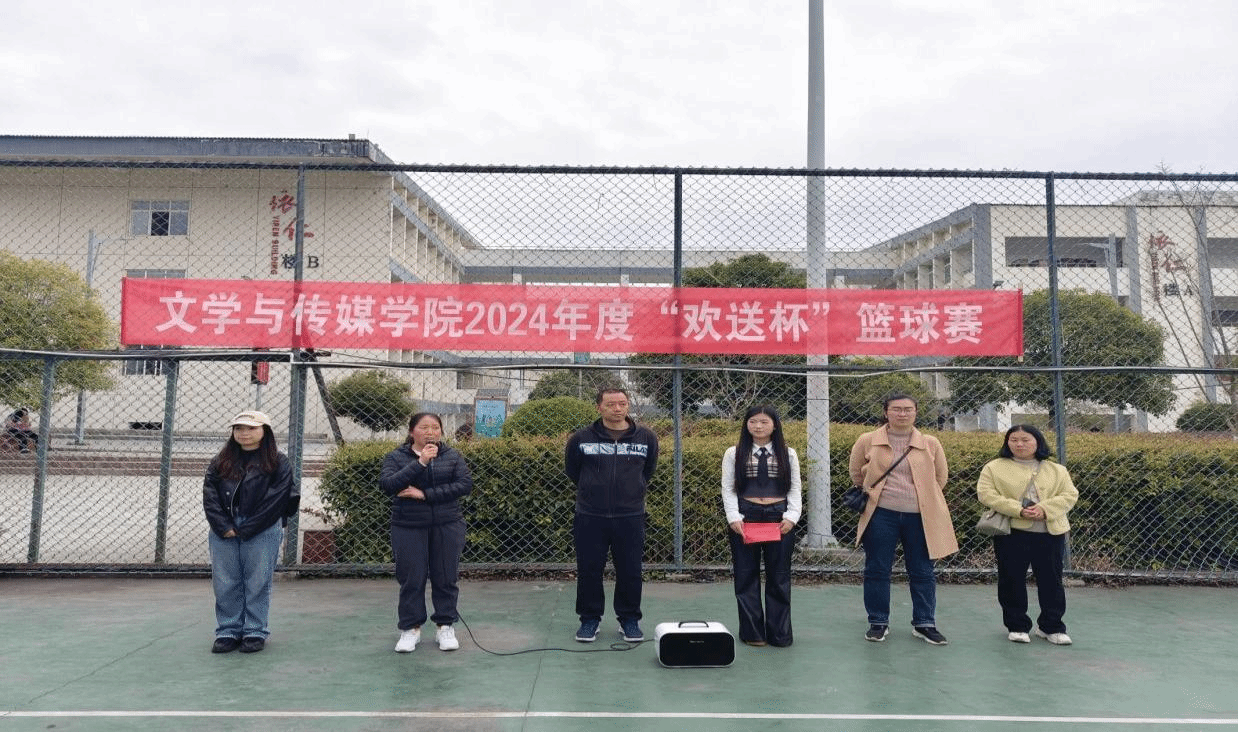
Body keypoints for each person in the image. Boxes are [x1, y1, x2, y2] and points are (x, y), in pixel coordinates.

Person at [848, 393, 957, 645]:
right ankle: (878, 622)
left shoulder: (930, 443)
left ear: (916, 412)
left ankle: (924, 623)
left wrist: (922, 498)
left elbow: (940, 477)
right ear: (886, 412)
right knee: (877, 569)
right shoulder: (867, 440)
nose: (902, 413)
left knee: (922, 570)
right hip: (880, 514)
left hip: (921, 516)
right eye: (896, 409)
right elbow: (856, 473)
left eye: (908, 409)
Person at [564, 387, 660, 643]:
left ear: (628, 405)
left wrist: (632, 491)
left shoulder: (646, 437)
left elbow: (648, 471)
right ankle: (589, 620)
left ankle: (629, 620)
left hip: (631, 516)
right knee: (589, 570)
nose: (617, 409)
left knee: (630, 570)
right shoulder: (581, 438)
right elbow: (573, 470)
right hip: (589, 515)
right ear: (599, 407)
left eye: (622, 403)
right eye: (611, 404)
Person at [202, 410, 299, 654]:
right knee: (225, 581)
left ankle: (255, 631)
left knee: (258, 581)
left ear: (265, 431)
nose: (244, 433)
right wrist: (224, 526)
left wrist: (246, 528)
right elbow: (210, 495)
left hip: (262, 528)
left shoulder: (278, 462)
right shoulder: (220, 461)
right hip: (224, 527)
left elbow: (277, 500)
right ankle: (228, 631)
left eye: (251, 428)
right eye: (238, 428)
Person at [976, 425, 1079, 645]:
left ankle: (1052, 627)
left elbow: (1070, 495)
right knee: (1011, 579)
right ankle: (1017, 625)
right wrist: (1018, 510)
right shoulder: (994, 467)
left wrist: (1045, 509)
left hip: (1050, 532)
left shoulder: (1056, 469)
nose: (1019, 444)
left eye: (1025, 439)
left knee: (1051, 580)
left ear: (1038, 442)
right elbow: (986, 494)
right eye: (1014, 439)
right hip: (1012, 532)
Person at [380, 412, 473, 653]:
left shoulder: (452, 456)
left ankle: (445, 626)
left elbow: (464, 485)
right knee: (412, 578)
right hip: (408, 526)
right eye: (424, 427)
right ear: (412, 432)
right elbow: (389, 485)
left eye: (435, 427)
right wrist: (420, 462)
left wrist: (425, 494)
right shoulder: (396, 457)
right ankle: (410, 629)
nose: (430, 432)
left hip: (447, 524)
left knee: (446, 577)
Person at [721, 405, 802, 647]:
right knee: (746, 575)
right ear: (746, 424)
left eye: (764, 422)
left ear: (775, 425)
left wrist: (791, 517)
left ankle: (780, 634)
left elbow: (795, 488)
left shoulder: (788, 454)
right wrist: (734, 517)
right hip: (746, 516)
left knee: (779, 576)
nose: (758, 426)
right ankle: (752, 633)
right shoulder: (734, 453)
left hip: (779, 517)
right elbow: (728, 488)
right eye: (753, 421)